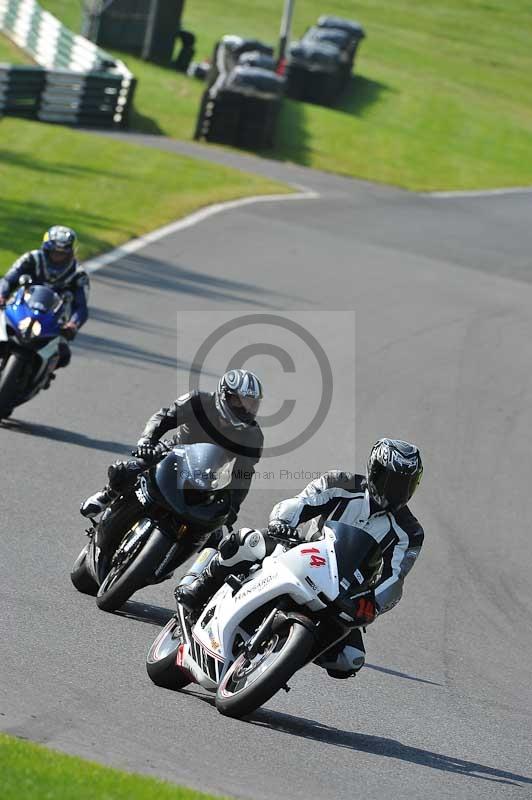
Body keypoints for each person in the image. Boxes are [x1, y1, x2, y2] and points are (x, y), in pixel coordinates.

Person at [176, 438, 424, 679]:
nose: (396, 491)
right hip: (300, 555)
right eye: (391, 481)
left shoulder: (410, 532)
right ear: (374, 471)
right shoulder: (340, 483)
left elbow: (394, 577)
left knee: (350, 657)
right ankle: (200, 586)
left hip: (344, 593)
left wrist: (373, 603)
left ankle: (279, 659)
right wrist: (283, 522)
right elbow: (301, 502)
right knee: (247, 541)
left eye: (404, 485)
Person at [80, 369, 264, 562]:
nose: (246, 409)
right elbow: (163, 418)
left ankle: (186, 569)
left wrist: (232, 510)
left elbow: (244, 474)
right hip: (174, 453)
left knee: (215, 534)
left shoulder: (253, 436)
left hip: (210, 476)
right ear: (225, 395)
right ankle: (109, 493)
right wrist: (146, 443)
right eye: (240, 401)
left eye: (252, 404)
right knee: (129, 468)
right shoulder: (198, 401)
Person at [0, 226, 89, 370]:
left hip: (53, 322)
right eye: (54, 253)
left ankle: (43, 376)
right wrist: (2, 295)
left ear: (70, 253)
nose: (58, 257)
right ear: (46, 249)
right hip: (20, 309)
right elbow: (8, 279)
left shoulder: (79, 274)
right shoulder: (30, 259)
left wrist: (73, 324)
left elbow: (81, 306)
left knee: (63, 355)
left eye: (62, 254)